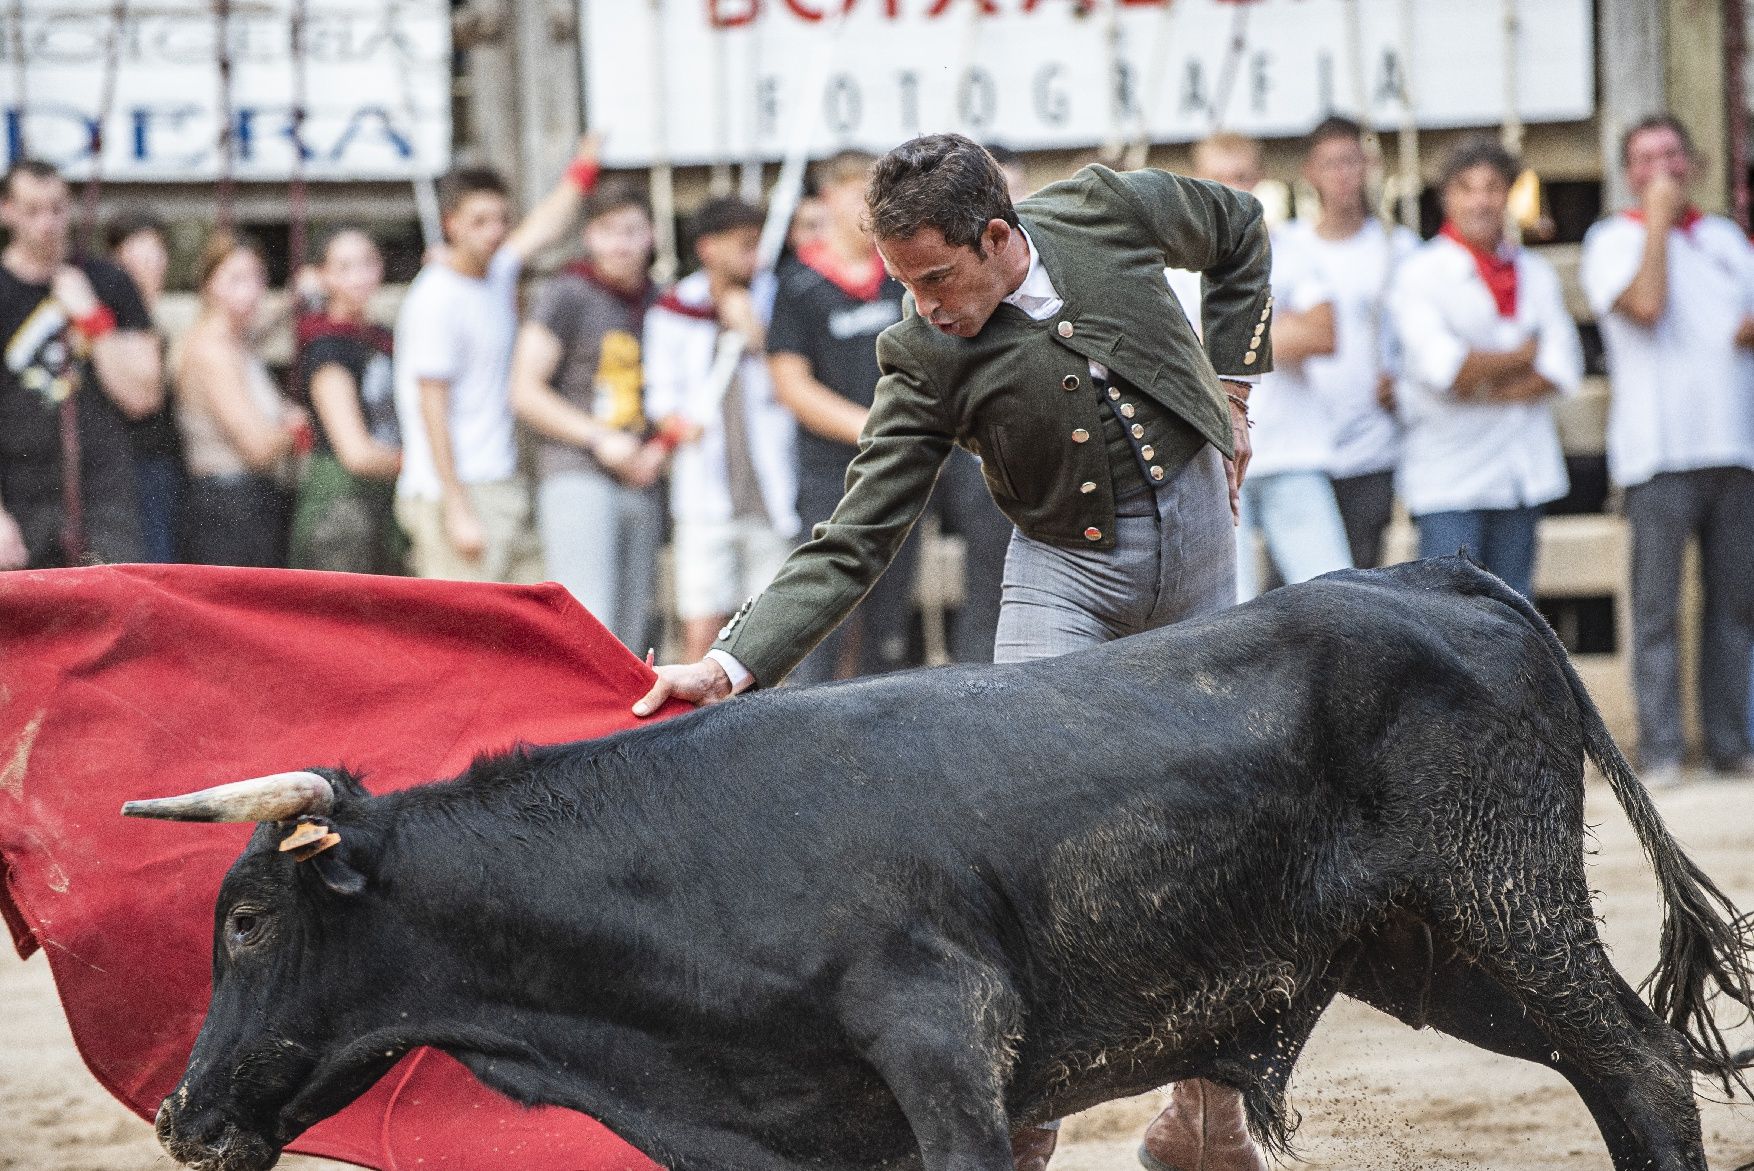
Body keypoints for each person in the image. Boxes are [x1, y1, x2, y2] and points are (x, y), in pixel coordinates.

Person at [635, 133, 1274, 1171]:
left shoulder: (1103, 211)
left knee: (1226, 826)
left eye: (936, 277)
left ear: (996, 236)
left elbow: (1240, 230)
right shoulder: (921, 354)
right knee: (1020, 846)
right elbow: (855, 535)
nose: (924, 304)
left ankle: (1205, 1113)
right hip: (1066, 569)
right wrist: (731, 662)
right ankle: (1016, 1131)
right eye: (904, 282)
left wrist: (1235, 393)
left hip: (1202, 540)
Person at [1580, 114, 1754, 784]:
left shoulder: (1724, 239)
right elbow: (1647, 305)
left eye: (1672, 156)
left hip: (1733, 441)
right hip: (1656, 451)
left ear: (1694, 165)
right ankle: (1660, 749)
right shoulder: (1611, 238)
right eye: (1646, 158)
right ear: (1630, 173)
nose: (1662, 169)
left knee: (1735, 605)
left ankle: (1730, 743)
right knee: (1655, 609)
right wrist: (1655, 221)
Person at [394, 134, 603, 585]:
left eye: (500, 219)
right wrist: (456, 507)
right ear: (451, 224)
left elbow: (545, 224)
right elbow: (431, 405)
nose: (494, 230)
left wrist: (584, 166)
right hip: (454, 490)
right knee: (462, 641)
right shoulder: (436, 298)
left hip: (500, 482)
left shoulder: (495, 272)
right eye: (479, 221)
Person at [1389, 137, 1583, 600]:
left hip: (1520, 473)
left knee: (1517, 614)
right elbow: (1448, 370)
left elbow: (1563, 366)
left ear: (1509, 194)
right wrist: (1523, 356)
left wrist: (1482, 382)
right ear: (1447, 198)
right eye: (1466, 187)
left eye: (1492, 187)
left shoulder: (1533, 271)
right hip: (1449, 477)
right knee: (1450, 617)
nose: (1480, 200)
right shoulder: (1420, 272)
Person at [764, 150, 917, 682]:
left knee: (890, 624)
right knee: (821, 621)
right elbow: (791, 386)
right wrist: (876, 429)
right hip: (832, 474)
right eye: (857, 192)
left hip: (902, 468)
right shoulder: (798, 283)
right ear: (826, 199)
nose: (869, 206)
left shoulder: (902, 273)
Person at [510, 178, 672, 647]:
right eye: (606, 230)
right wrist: (600, 439)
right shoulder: (567, 293)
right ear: (589, 236)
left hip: (641, 473)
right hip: (577, 470)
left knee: (634, 629)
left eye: (630, 230)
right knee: (589, 621)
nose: (619, 244)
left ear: (652, 235)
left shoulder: (659, 300)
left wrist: (659, 449)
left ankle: (629, 724)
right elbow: (524, 391)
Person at [642, 197, 799, 660]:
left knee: (770, 628)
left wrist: (756, 337)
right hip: (705, 495)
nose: (756, 257)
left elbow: (791, 380)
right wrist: (673, 422)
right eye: (744, 246)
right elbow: (660, 398)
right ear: (709, 248)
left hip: (768, 490)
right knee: (703, 621)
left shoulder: (776, 299)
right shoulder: (673, 309)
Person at [0, 159, 161, 570]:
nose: (48, 222)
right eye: (34, 210)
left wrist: (92, 318)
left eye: (57, 208)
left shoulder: (108, 280)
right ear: (7, 210)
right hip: (17, 487)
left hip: (103, 488)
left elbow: (144, 396)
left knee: (113, 608)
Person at [1284, 116, 1420, 569]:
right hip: (1303, 443)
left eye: (1351, 162)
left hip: (1372, 444)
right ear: (1310, 172)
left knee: (1362, 576)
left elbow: (1419, 338)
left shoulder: (1399, 247)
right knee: (1300, 584)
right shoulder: (1288, 247)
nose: (1342, 174)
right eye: (1330, 163)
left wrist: (1405, 382)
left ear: (1369, 167)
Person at [175, 231, 308, 567]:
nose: (249, 291)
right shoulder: (213, 350)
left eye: (257, 278)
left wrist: (300, 295)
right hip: (230, 504)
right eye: (235, 279)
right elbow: (258, 448)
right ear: (208, 284)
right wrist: (295, 426)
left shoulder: (236, 338)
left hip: (243, 500)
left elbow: (266, 321)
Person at [289, 229, 405, 574]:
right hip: (341, 508)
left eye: (367, 263)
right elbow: (356, 454)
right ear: (323, 276)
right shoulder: (328, 348)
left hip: (381, 502)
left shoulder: (381, 337)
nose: (359, 276)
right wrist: (429, 466)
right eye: (344, 267)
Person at [106, 209, 184, 564]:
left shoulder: (155, 316)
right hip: (131, 463)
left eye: (157, 254)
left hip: (164, 461)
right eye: (138, 256)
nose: (151, 266)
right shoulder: (109, 317)